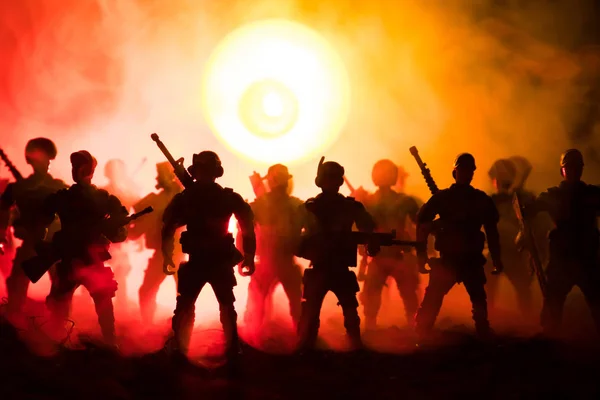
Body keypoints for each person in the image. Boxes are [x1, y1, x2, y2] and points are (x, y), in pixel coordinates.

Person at [161, 151, 256, 361]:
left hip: (211, 260)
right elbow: (247, 224)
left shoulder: (192, 197)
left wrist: (250, 254)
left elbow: (168, 225)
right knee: (189, 306)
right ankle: (186, 347)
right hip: (209, 260)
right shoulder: (223, 197)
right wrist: (249, 253)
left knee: (217, 306)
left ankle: (225, 348)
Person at [43, 151, 129, 346]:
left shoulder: (68, 197)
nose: (76, 171)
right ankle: (106, 342)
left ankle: (105, 342)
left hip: (84, 258)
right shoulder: (100, 198)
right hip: (78, 258)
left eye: (78, 167)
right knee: (72, 302)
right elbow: (120, 230)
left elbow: (120, 229)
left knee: (98, 300)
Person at [415, 153, 503, 339]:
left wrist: (497, 258)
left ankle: (483, 331)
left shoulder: (480, 199)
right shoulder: (444, 198)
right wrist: (421, 255)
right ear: (455, 172)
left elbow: (492, 230)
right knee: (432, 300)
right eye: (462, 170)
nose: (465, 174)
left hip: (471, 258)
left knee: (479, 300)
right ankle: (421, 334)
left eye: (469, 170)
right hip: (448, 259)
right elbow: (422, 224)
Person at [296, 158, 378, 351]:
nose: (331, 183)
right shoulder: (311, 207)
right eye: (329, 178)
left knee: (349, 312)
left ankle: (352, 345)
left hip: (337, 267)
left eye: (334, 179)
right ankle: (307, 345)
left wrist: (371, 243)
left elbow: (369, 229)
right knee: (311, 312)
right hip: (321, 266)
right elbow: (294, 236)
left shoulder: (343, 207)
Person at [526, 149, 600, 337]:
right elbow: (531, 211)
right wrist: (526, 210)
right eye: (570, 167)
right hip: (562, 260)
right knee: (553, 304)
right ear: (563, 171)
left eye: (577, 167)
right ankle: (552, 341)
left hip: (586, 259)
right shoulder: (553, 195)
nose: (573, 171)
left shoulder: (592, 194)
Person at [0, 138, 67, 315]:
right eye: (41, 158)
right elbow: (2, 211)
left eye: (48, 159)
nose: (46, 163)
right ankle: (15, 324)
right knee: (16, 285)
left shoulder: (58, 187)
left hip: (53, 246)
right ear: (30, 160)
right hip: (31, 243)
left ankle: (59, 325)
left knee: (61, 287)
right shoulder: (20, 188)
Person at [358, 160, 421, 330]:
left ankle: (374, 327)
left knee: (401, 295)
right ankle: (413, 327)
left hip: (391, 256)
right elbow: (421, 222)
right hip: (391, 255)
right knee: (404, 295)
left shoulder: (370, 201)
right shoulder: (401, 201)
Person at [244, 164, 304, 333]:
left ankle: (254, 334)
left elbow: (246, 229)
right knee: (294, 305)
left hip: (274, 262)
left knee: (260, 304)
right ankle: (301, 336)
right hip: (277, 262)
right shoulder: (296, 205)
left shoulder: (266, 204)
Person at [129, 162, 183, 324]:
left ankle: (182, 324)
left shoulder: (180, 196)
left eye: (161, 174)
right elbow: (138, 226)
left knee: (182, 293)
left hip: (177, 251)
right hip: (163, 253)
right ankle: (149, 326)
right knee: (147, 291)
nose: (157, 177)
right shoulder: (157, 199)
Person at [486, 158, 534, 319]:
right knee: (488, 290)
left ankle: (527, 321)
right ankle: (487, 319)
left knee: (523, 290)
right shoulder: (491, 201)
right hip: (496, 252)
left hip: (511, 252)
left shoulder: (519, 199)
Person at [101, 159, 142, 312]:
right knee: (97, 271)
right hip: (104, 238)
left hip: (119, 239)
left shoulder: (126, 192)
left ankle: (122, 306)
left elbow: (137, 211)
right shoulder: (103, 192)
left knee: (121, 272)